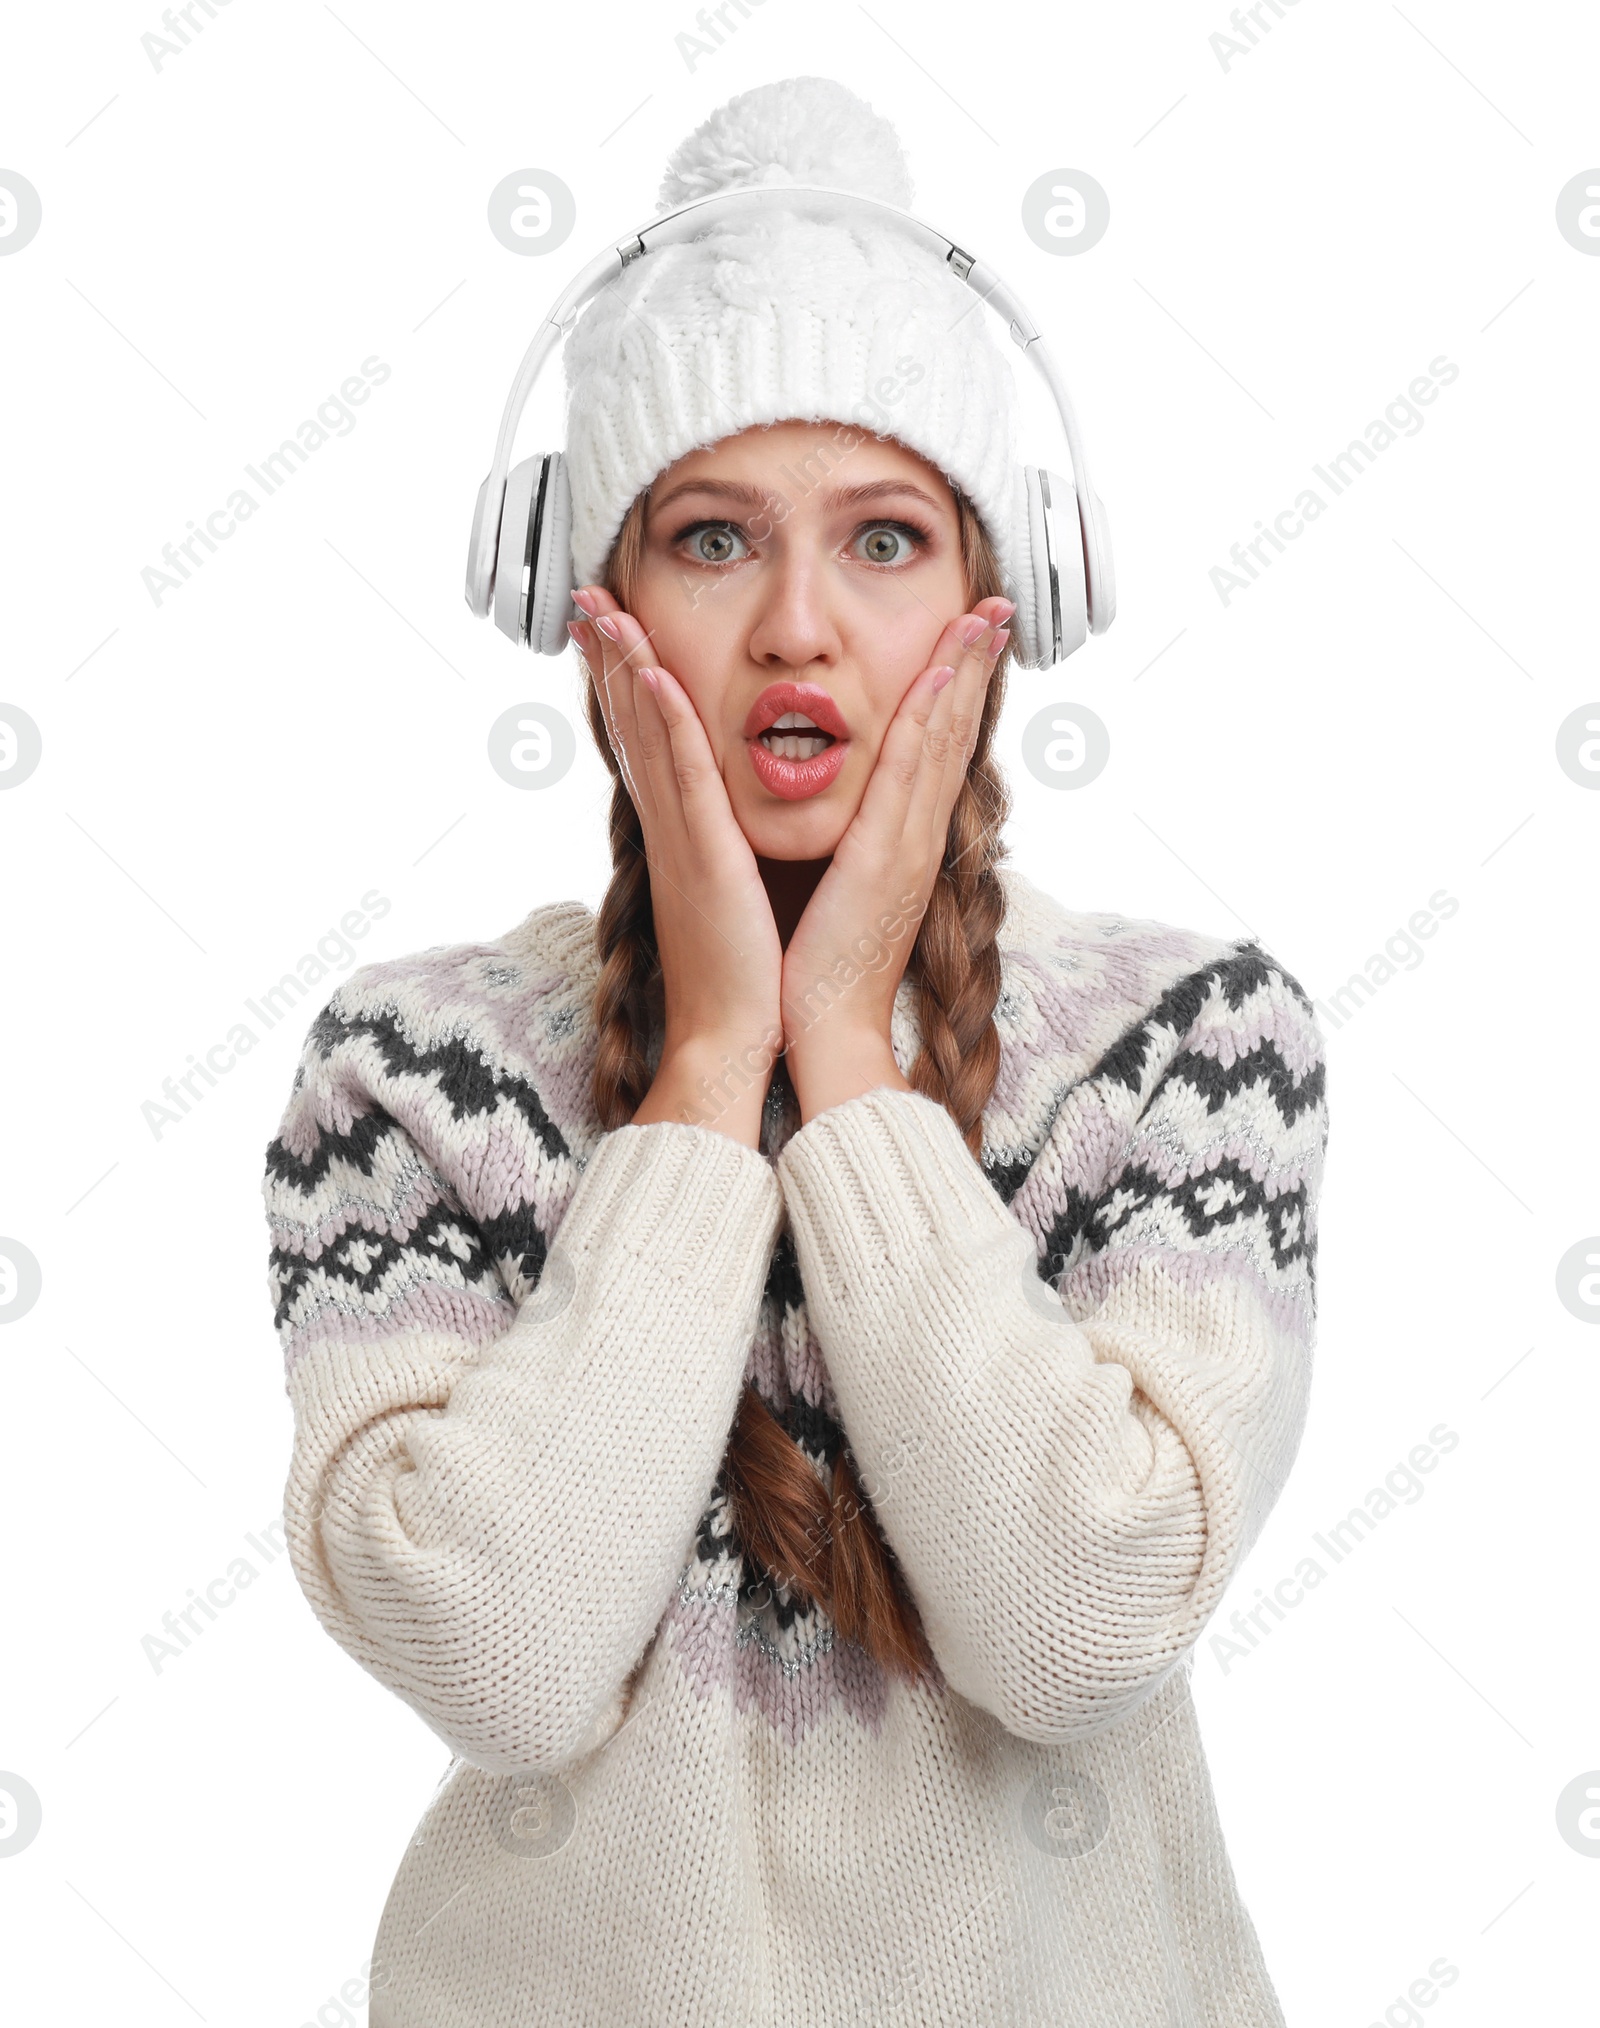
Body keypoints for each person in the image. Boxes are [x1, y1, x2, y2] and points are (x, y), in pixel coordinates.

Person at [262, 77, 1329, 2028]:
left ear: (1002, 613)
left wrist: (840, 1059)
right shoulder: (406, 1071)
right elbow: (498, 1660)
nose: (798, 629)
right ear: (587, 608)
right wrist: (705, 1076)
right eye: (712, 536)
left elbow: (1074, 1628)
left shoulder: (1190, 1048)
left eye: (886, 540)